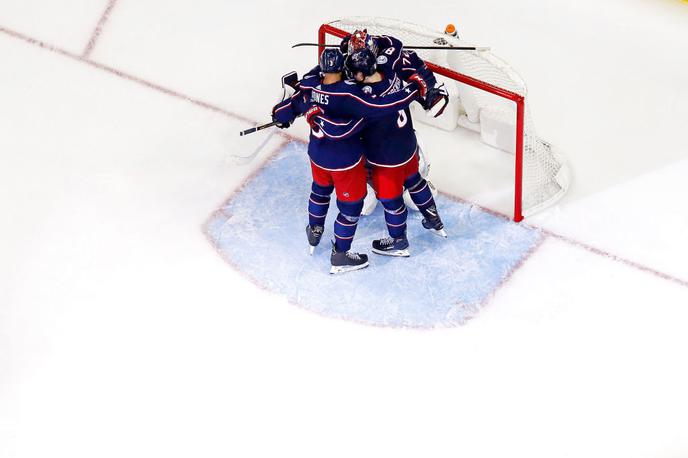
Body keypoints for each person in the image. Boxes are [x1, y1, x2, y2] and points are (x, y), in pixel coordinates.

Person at [271, 49, 426, 273]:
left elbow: (288, 108)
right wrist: (413, 88)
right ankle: (340, 257)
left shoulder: (311, 86)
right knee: (350, 210)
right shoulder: (352, 95)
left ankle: (314, 229)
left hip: (317, 157)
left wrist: (279, 116)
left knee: (319, 192)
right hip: (346, 163)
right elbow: (385, 106)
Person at [344, 39, 448, 258]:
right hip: (409, 147)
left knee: (392, 201)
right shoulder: (390, 70)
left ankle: (399, 242)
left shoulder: (363, 97)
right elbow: (395, 43)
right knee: (415, 182)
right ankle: (434, 219)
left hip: (385, 159)